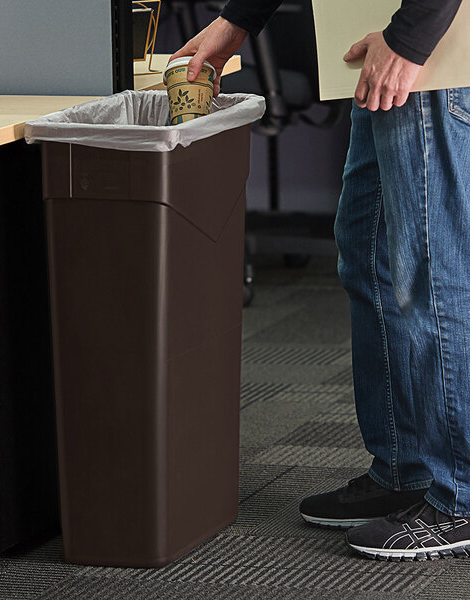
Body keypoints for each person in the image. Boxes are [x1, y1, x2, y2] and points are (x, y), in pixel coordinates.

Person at [169, 0, 470, 561]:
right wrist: (239, 20)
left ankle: (460, 494)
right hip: (385, 42)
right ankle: (407, 471)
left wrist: (409, 37)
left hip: (429, 56)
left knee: (425, 274)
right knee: (370, 254)